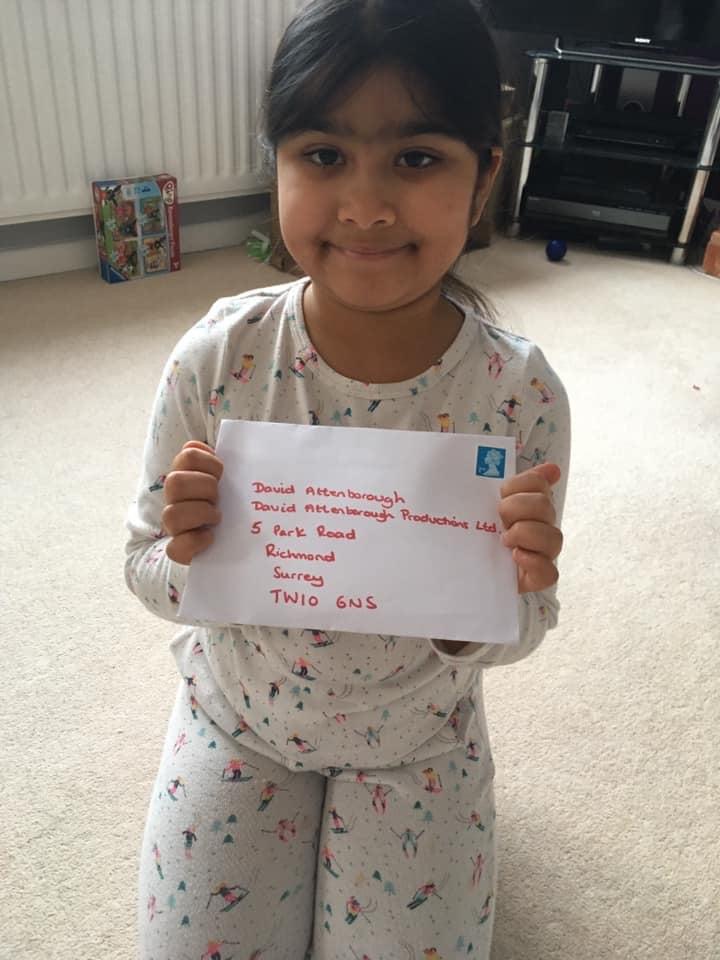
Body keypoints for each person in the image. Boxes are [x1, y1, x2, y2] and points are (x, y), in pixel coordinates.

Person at [125, 1, 571, 957]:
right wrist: (187, 555)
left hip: (420, 738)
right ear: (276, 165)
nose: (366, 206)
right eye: (324, 154)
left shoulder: (517, 392)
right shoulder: (218, 358)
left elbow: (529, 623)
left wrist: (491, 600)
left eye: (417, 157)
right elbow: (142, 568)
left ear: (484, 178)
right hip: (239, 717)